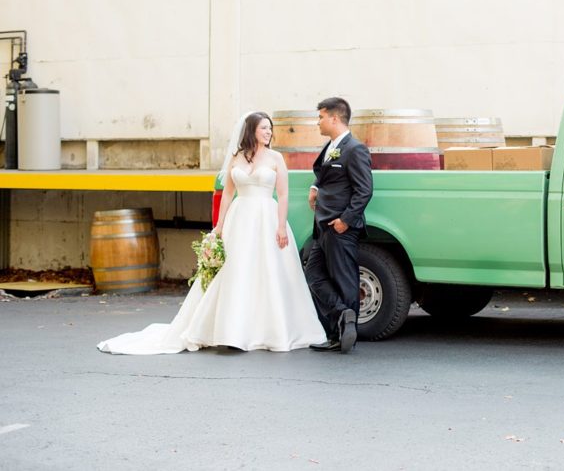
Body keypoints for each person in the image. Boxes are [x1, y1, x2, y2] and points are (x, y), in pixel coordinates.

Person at [97, 112, 326, 354]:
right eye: (263, 128)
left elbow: (283, 194)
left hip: (266, 218)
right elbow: (228, 193)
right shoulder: (237, 157)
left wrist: (281, 225)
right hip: (240, 219)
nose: (268, 133)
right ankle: (231, 330)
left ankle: (270, 329)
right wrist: (219, 225)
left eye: (270, 129)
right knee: (235, 271)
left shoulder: (276, 158)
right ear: (251, 131)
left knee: (267, 271)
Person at [304, 97, 373, 354]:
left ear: (334, 118)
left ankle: (343, 336)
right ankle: (340, 317)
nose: (318, 122)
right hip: (322, 227)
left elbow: (364, 190)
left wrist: (346, 220)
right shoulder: (330, 146)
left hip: (339, 226)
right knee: (313, 275)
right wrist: (314, 186)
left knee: (344, 280)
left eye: (321, 116)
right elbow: (323, 172)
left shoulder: (355, 149)